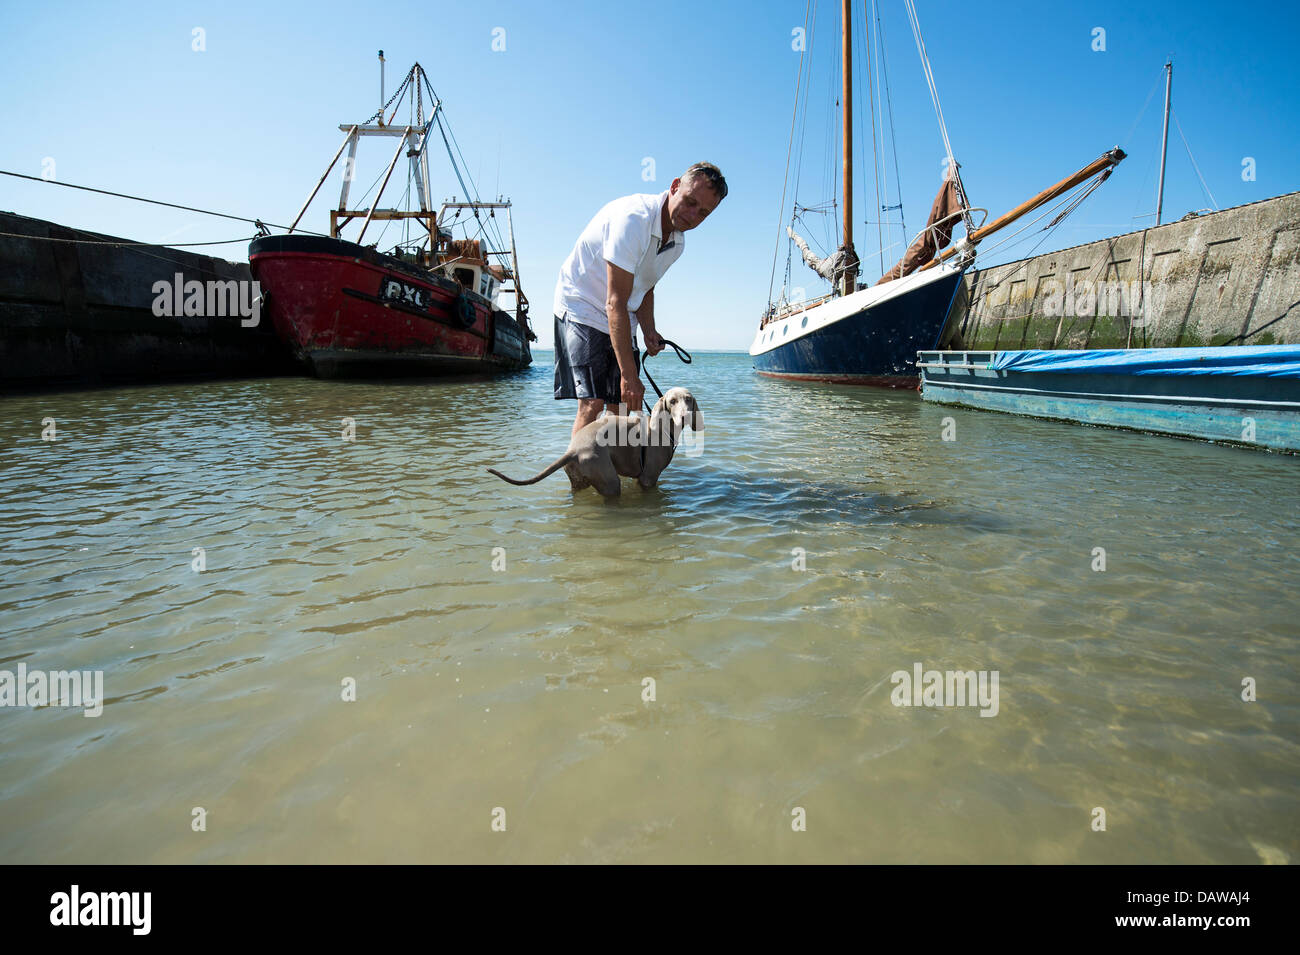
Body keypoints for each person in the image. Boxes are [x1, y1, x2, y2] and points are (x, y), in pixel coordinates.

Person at [552, 162, 726, 438]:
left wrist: (648, 330)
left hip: (620, 310)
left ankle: (612, 476)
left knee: (621, 407)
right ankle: (578, 479)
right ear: (674, 187)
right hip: (582, 303)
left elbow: (645, 286)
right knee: (593, 403)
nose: (693, 215)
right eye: (690, 201)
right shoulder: (633, 219)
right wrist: (629, 376)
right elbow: (615, 302)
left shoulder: (677, 243)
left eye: (703, 213)